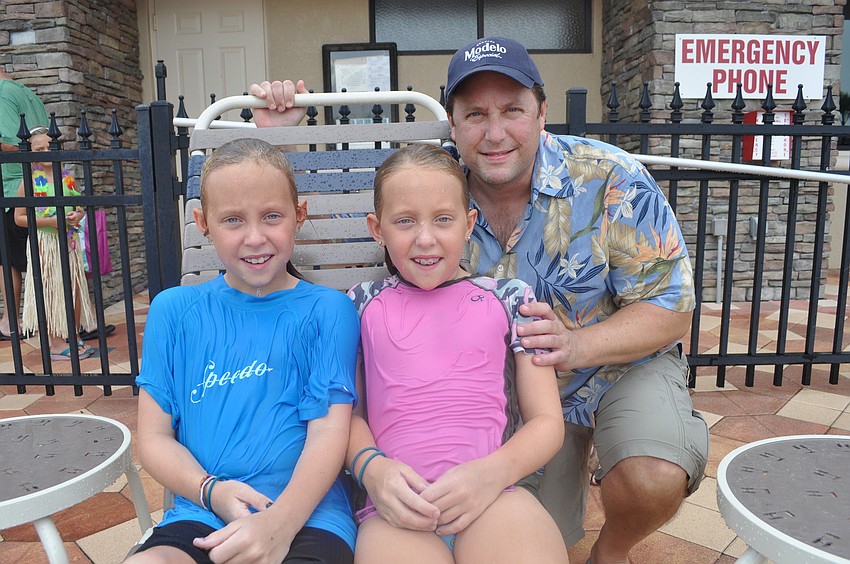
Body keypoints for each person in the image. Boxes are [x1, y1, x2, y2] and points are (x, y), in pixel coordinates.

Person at [249, 36, 710, 563]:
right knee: (548, 535)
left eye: (512, 110)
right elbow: (332, 213)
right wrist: (279, 137)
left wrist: (577, 346)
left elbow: (673, 308)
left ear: (541, 113)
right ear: (453, 124)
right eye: (475, 115)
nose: (494, 133)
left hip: (608, 367)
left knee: (649, 475)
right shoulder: (433, 182)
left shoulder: (612, 179)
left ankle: (613, 548)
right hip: (503, 404)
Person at [128, 138, 360, 564]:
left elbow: (328, 432)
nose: (255, 238)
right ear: (203, 223)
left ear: (299, 215)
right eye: (233, 220)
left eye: (272, 216)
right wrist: (210, 490)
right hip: (202, 510)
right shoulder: (174, 312)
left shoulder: (328, 311)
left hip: (307, 516)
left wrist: (279, 525)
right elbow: (155, 438)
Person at [346, 143, 567, 563]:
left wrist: (492, 474)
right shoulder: (359, 305)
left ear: (468, 224)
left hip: (494, 495)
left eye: (443, 220)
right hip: (394, 508)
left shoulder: (509, 299)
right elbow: (347, 415)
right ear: (378, 229)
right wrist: (371, 469)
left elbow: (546, 422)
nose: (425, 238)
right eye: (405, 221)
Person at [14, 129, 95, 360]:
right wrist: (51, 221)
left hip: (68, 242)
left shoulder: (66, 177)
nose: (46, 151)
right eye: (39, 149)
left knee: (74, 288)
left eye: (50, 146)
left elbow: (80, 206)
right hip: (44, 242)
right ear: (30, 153)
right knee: (50, 290)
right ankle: (56, 343)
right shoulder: (28, 181)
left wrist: (78, 215)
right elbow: (19, 218)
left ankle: (74, 335)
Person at [0, 68, 48, 341]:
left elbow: (13, 143)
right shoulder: (29, 94)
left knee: (7, 259)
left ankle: (11, 321)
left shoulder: (2, 93)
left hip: (14, 184)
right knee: (41, 256)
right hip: (41, 182)